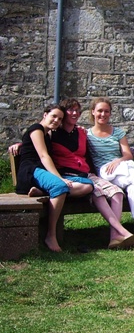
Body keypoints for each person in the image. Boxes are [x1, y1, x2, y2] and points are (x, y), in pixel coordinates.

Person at [51, 98, 134, 249]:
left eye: (77, 110)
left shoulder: (81, 132)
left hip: (87, 174)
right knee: (98, 192)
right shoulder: (54, 133)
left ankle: (115, 238)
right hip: (68, 175)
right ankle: (122, 232)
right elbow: (38, 140)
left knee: (117, 192)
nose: (74, 113)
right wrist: (21, 144)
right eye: (70, 110)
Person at [14, 104, 94, 252]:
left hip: (43, 175)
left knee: (88, 185)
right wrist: (60, 179)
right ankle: (51, 235)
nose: (56, 120)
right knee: (60, 186)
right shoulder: (37, 129)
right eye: (54, 116)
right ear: (45, 115)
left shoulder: (47, 134)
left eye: (60, 119)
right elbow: (43, 156)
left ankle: (43, 192)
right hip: (32, 172)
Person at [86, 97, 134, 243]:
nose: (103, 114)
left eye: (106, 111)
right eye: (100, 111)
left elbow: (127, 154)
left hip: (121, 169)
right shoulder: (87, 134)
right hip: (106, 176)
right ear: (93, 112)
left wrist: (117, 161)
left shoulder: (118, 132)